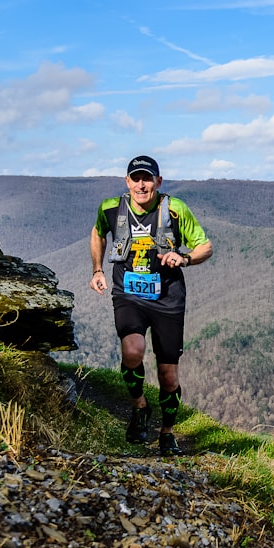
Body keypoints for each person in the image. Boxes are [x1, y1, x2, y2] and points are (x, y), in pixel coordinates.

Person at [89, 155, 213, 456]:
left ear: (158, 181)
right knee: (132, 350)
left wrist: (183, 258)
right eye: (136, 178)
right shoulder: (110, 208)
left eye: (147, 179)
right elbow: (97, 233)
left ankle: (167, 431)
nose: (141, 184)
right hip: (128, 293)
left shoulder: (174, 209)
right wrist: (97, 269)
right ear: (127, 181)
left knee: (168, 374)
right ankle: (139, 406)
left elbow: (205, 247)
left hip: (167, 298)